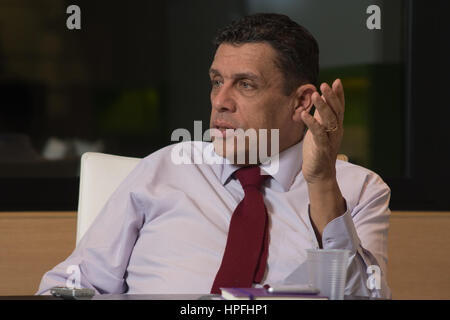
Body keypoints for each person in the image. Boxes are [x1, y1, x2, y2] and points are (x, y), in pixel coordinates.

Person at [37, 13, 391, 298]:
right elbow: (68, 286)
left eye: (245, 84)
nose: (220, 100)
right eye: (217, 81)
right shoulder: (164, 169)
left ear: (300, 101)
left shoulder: (359, 191)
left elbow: (361, 296)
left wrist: (322, 182)